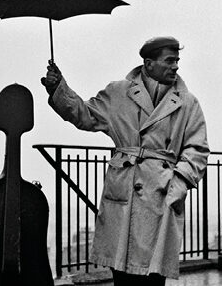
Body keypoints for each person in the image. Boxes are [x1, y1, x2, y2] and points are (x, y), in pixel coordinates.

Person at [41, 36, 209, 286]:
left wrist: (179, 182)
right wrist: (58, 89)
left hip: (162, 191)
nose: (175, 66)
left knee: (153, 275)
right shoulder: (118, 92)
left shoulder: (187, 102)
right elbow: (85, 115)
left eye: (177, 61)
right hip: (125, 189)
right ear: (148, 63)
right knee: (123, 273)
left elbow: (197, 148)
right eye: (170, 61)